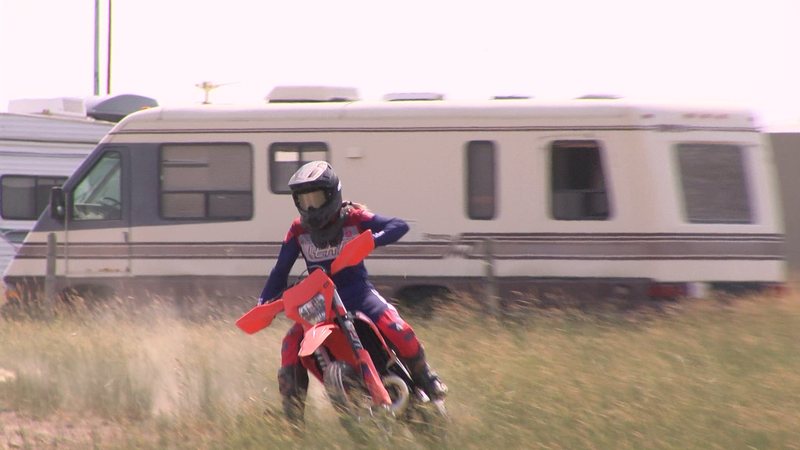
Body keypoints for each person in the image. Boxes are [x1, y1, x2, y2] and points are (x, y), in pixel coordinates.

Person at [258, 160, 447, 425]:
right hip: (320, 303)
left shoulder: (354, 218)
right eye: (304, 200)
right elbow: (280, 271)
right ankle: (292, 419)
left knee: (396, 327)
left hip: (359, 295)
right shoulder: (298, 230)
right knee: (291, 345)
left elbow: (399, 226)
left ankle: (426, 377)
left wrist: (370, 240)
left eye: (317, 197)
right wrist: (263, 303)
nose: (311, 207)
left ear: (333, 194)